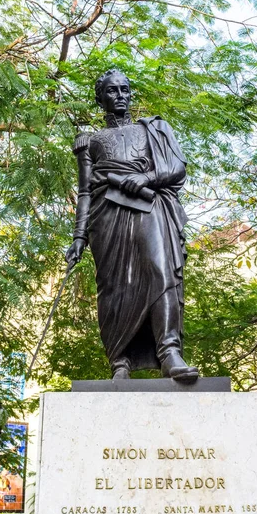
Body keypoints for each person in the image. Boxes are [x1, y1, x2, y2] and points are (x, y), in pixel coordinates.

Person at [65, 69, 198, 382]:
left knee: (162, 271)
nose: (120, 95)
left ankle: (169, 351)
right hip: (107, 216)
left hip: (149, 205)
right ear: (101, 98)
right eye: (112, 91)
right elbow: (86, 191)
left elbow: (177, 168)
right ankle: (119, 362)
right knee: (113, 287)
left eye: (125, 89)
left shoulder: (152, 129)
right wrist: (79, 236)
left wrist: (146, 178)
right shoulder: (90, 141)